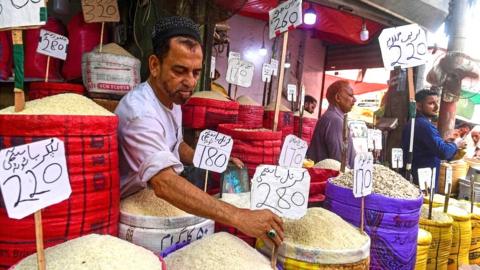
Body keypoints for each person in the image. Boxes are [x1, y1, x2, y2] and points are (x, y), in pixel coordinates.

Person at [115, 16, 283, 246]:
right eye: (180, 70)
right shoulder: (140, 112)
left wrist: (213, 160)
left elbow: (176, 145)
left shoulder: (172, 100)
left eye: (195, 72)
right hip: (133, 215)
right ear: (154, 65)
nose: (190, 81)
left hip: (153, 204)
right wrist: (238, 216)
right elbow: (164, 183)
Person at [401, 89, 461, 189]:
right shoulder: (424, 125)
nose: (437, 107)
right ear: (419, 106)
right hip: (421, 181)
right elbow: (443, 152)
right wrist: (456, 144)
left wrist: (445, 142)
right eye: (431, 103)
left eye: (437, 102)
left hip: (416, 176)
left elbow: (432, 146)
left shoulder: (415, 123)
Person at [307, 80, 357, 168]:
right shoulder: (335, 120)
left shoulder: (331, 117)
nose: (355, 100)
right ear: (338, 97)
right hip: (330, 178)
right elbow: (341, 165)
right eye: (350, 95)